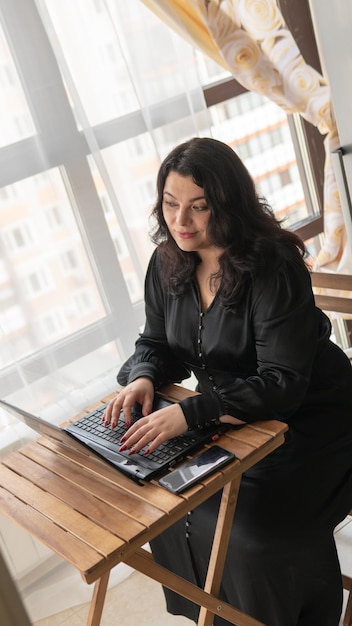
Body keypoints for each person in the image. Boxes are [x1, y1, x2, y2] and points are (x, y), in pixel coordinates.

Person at [103, 137, 352, 626]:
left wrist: (191, 412)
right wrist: (143, 376)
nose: (181, 222)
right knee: (171, 502)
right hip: (235, 421)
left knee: (251, 533)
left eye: (199, 208)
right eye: (171, 205)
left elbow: (282, 385)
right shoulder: (168, 261)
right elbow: (156, 342)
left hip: (316, 424)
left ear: (228, 205)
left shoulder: (271, 265)